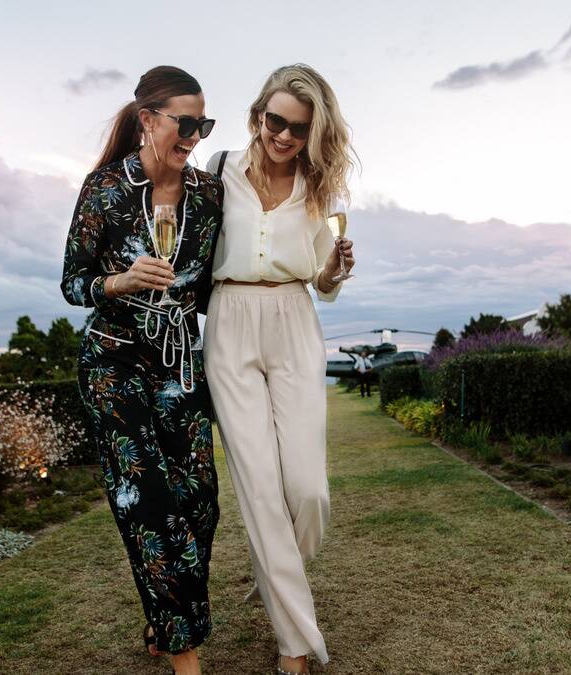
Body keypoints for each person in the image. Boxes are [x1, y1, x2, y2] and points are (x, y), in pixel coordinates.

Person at [60, 65, 222, 675]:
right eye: (185, 123)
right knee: (149, 501)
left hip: (179, 363)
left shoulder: (208, 197)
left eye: (203, 125)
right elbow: (72, 282)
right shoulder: (103, 189)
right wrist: (119, 281)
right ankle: (186, 656)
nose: (194, 137)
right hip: (113, 362)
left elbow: (217, 283)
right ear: (149, 119)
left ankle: (165, 617)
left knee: (201, 504)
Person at [203, 63, 356, 675]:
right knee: (261, 491)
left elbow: (322, 282)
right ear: (257, 115)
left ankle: (275, 568)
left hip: (294, 320)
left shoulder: (319, 193)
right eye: (275, 121)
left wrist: (336, 271)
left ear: (314, 132)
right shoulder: (217, 174)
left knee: (308, 492)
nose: (284, 136)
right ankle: (296, 645)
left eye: (298, 128)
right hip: (229, 318)